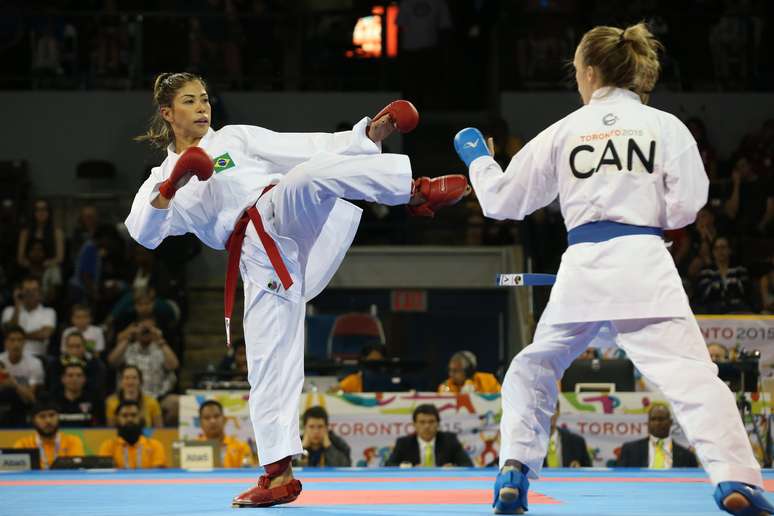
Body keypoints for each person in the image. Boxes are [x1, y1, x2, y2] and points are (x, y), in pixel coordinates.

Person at [452, 22, 771, 516]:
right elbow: (688, 207)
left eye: (576, 71)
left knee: (533, 366)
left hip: (581, 267)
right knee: (692, 378)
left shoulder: (565, 130)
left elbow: (500, 201)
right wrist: (645, 220)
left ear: (591, 71)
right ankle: (735, 478)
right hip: (643, 262)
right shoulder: (665, 126)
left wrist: (478, 160)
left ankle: (514, 466)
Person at [124, 72, 468, 508]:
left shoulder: (234, 138)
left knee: (309, 174)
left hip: (278, 210)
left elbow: (308, 146)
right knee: (270, 362)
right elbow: (142, 232)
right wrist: (171, 188)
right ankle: (278, 475)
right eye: (190, 101)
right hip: (255, 259)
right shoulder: (161, 177)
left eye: (205, 99)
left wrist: (368, 133)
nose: (202, 107)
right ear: (167, 112)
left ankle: (414, 192)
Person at [385, 404, 473, 467]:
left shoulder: (450, 440)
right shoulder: (403, 443)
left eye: (431, 422)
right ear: (414, 424)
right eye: (422, 422)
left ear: (438, 424)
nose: (427, 426)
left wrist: (453, 468)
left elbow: (468, 464)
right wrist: (410, 468)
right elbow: (389, 465)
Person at [618, 403, 698, 469]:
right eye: (653, 419)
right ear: (648, 423)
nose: (657, 423)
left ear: (670, 422)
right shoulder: (630, 450)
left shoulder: (687, 456)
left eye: (661, 419)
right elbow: (620, 480)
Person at [13, 397, 84, 469]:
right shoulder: (23, 445)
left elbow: (76, 471)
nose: (48, 421)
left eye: (52, 415)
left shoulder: (72, 442)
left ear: (58, 417)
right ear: (33, 421)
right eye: (42, 416)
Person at [98, 399, 167, 469]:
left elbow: (157, 475)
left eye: (134, 415)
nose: (129, 419)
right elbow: (106, 475)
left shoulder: (155, 446)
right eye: (124, 416)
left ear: (140, 418)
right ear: (117, 419)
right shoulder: (107, 447)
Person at [1, 276, 56, 357]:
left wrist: (17, 337)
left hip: (37, 356)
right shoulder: (9, 311)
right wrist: (17, 306)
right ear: (20, 292)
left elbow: (44, 334)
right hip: (10, 356)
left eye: (34, 290)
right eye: (27, 290)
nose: (30, 293)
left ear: (40, 293)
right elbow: (8, 331)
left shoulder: (48, 312)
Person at [0, 325, 41, 425]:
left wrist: (13, 383)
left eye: (20, 340)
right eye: (12, 340)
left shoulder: (34, 363)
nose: (16, 344)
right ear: (5, 343)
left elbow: (31, 399)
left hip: (22, 407)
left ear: (24, 342)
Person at [197, 399, 255, 468]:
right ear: (200, 422)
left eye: (216, 416)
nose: (212, 421)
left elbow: (247, 474)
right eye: (207, 418)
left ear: (224, 419)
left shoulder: (242, 447)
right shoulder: (192, 448)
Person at [544, 401, 590, 468]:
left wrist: (579, 470)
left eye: (552, 409)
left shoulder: (577, 442)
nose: (549, 414)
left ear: (558, 412)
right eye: (545, 410)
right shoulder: (530, 444)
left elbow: (589, 473)